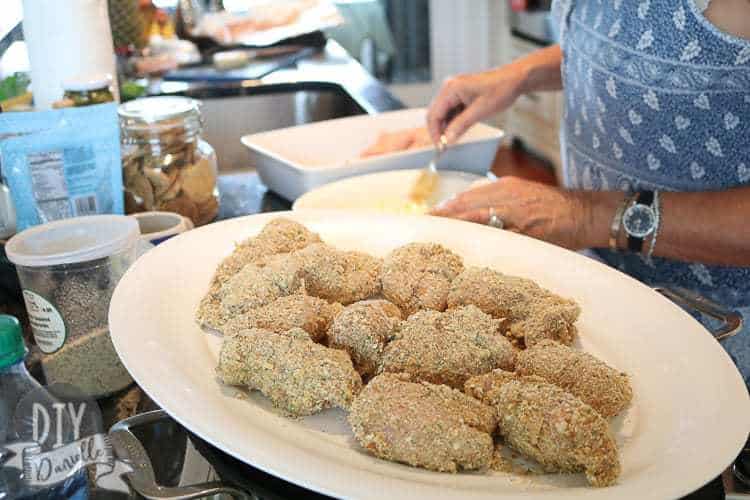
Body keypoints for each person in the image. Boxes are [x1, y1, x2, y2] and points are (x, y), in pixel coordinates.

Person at [427, 0, 750, 383]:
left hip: (721, 332)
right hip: (612, 284)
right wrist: (522, 74)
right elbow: (632, 42)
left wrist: (590, 216)